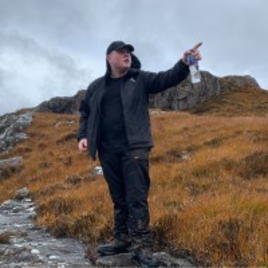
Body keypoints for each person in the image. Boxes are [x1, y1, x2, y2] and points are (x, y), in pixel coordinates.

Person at [77, 40, 202, 267]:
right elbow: (85, 112)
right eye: (121, 52)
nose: (127, 56)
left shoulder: (140, 79)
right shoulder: (96, 86)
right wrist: (83, 136)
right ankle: (122, 238)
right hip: (107, 151)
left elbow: (168, 78)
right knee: (119, 197)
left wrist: (184, 63)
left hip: (134, 148)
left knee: (136, 197)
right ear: (109, 58)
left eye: (129, 53)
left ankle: (142, 246)